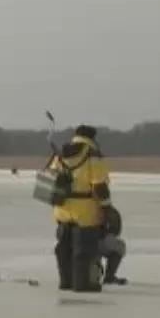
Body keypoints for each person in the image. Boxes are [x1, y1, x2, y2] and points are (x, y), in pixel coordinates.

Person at [44, 125, 116, 292]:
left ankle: (65, 282)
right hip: (85, 211)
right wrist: (107, 208)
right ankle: (82, 285)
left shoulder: (62, 152)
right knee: (84, 251)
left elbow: (53, 176)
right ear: (92, 138)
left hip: (62, 209)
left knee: (64, 248)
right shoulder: (93, 155)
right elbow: (99, 186)